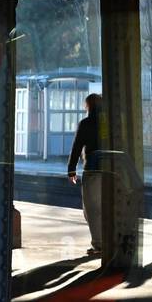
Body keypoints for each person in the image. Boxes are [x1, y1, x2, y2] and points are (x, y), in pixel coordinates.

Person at [66, 93, 104, 256]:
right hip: (111, 169)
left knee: (92, 209)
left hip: (93, 170)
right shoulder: (108, 123)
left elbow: (77, 147)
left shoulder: (86, 123)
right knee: (106, 208)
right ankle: (108, 242)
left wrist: (71, 169)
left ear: (87, 106)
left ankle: (99, 245)